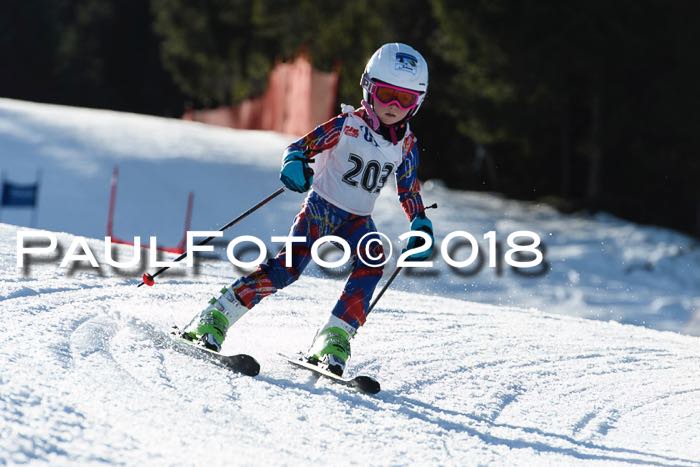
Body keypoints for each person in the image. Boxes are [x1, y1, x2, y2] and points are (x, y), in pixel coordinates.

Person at [183, 43, 435, 376]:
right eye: (386, 93)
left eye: (403, 99)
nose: (392, 106)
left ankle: (334, 337)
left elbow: (407, 189)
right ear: (369, 88)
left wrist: (419, 221)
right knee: (286, 270)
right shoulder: (347, 125)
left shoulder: (406, 146)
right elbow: (301, 147)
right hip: (321, 209)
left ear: (416, 104)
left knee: (372, 265)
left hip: (357, 220)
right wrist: (295, 163)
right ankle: (215, 316)